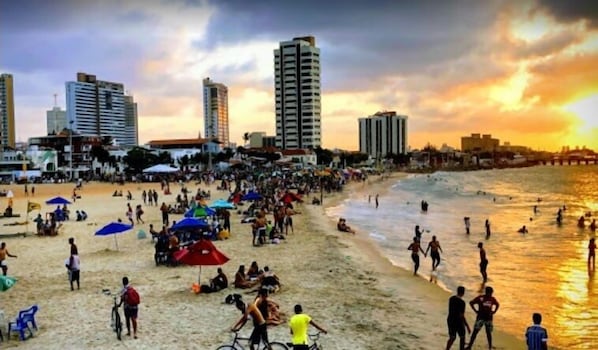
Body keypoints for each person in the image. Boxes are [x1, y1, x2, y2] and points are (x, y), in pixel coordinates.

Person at [466, 286, 500, 350]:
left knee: (488, 333)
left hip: (488, 318)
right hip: (481, 318)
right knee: (475, 332)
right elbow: (471, 303)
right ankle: (469, 346)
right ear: (488, 292)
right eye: (490, 293)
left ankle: (490, 347)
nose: (490, 294)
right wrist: (475, 311)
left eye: (491, 293)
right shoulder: (481, 298)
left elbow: (497, 304)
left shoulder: (492, 299)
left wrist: (494, 311)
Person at [446, 286, 470, 350]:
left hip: (450, 319)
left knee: (452, 337)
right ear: (463, 293)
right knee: (462, 337)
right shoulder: (462, 303)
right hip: (458, 321)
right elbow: (461, 315)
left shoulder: (451, 299)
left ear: (457, 291)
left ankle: (447, 349)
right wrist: (467, 325)